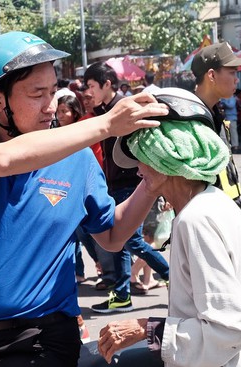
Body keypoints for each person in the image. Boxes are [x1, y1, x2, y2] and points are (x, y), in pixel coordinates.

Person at [0, 31, 169, 367]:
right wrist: (106, 124)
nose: (51, 105)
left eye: (53, 91)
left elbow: (113, 236)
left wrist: (150, 185)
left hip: (41, 341)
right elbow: (4, 160)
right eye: (36, 94)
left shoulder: (78, 157)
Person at [98, 87, 241, 367]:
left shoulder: (196, 219)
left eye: (143, 158)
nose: (139, 171)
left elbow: (227, 331)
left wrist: (147, 328)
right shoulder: (217, 203)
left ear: (163, 158)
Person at [84, 61, 170, 313]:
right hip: (116, 183)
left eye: (91, 86)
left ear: (107, 84)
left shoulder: (124, 109)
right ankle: (122, 294)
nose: (88, 92)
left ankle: (167, 274)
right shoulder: (104, 111)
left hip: (132, 182)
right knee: (121, 240)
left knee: (129, 240)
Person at [190, 42, 241, 209]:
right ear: (212, 76)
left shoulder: (216, 112)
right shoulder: (190, 119)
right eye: (232, 73)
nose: (236, 79)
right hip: (209, 215)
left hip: (227, 209)